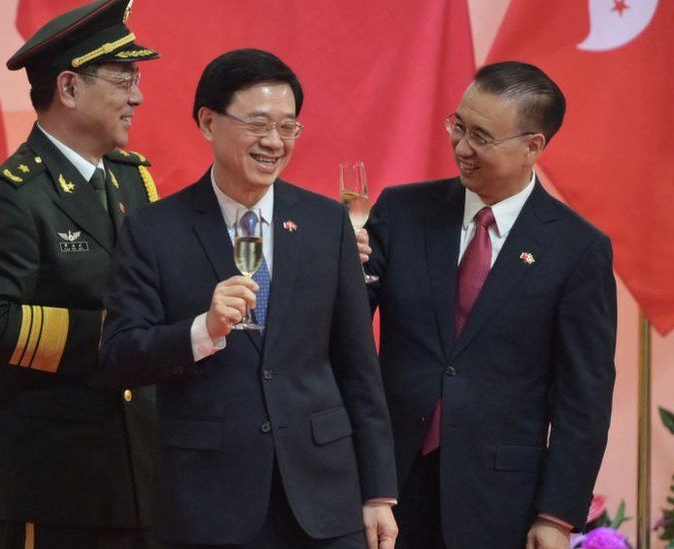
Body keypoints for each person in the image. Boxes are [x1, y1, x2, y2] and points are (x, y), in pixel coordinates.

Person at [100, 48, 398, 549]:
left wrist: (378, 494)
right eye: (258, 124)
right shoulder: (153, 229)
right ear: (208, 121)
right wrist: (202, 330)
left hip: (324, 500)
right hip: (208, 502)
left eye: (288, 127)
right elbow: (119, 356)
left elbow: (358, 368)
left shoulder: (327, 225)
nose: (273, 142)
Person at [358, 61, 617, 549]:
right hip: (385, 486)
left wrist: (557, 516)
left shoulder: (577, 249)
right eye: (458, 126)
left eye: (480, 136)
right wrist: (339, 271)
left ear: (532, 146)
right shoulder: (401, 211)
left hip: (500, 500)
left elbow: (584, 397)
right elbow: (344, 330)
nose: (461, 147)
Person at [0, 0, 161, 547]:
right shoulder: (8, 195)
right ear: (69, 88)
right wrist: (115, 337)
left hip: (146, 479)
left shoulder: (133, 179)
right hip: (60, 489)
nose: (137, 95)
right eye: (123, 79)